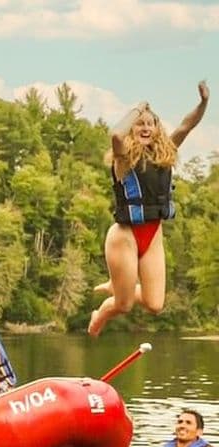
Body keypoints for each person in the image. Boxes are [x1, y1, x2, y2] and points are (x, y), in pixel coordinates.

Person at [88, 82, 209, 336]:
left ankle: (120, 284)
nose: (145, 127)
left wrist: (203, 103)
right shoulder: (123, 158)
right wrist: (138, 109)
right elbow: (116, 136)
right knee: (124, 304)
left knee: (155, 304)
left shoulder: (165, 155)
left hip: (152, 234)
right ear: (133, 127)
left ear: (156, 129)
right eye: (139, 123)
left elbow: (187, 125)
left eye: (149, 123)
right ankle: (100, 313)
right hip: (125, 236)